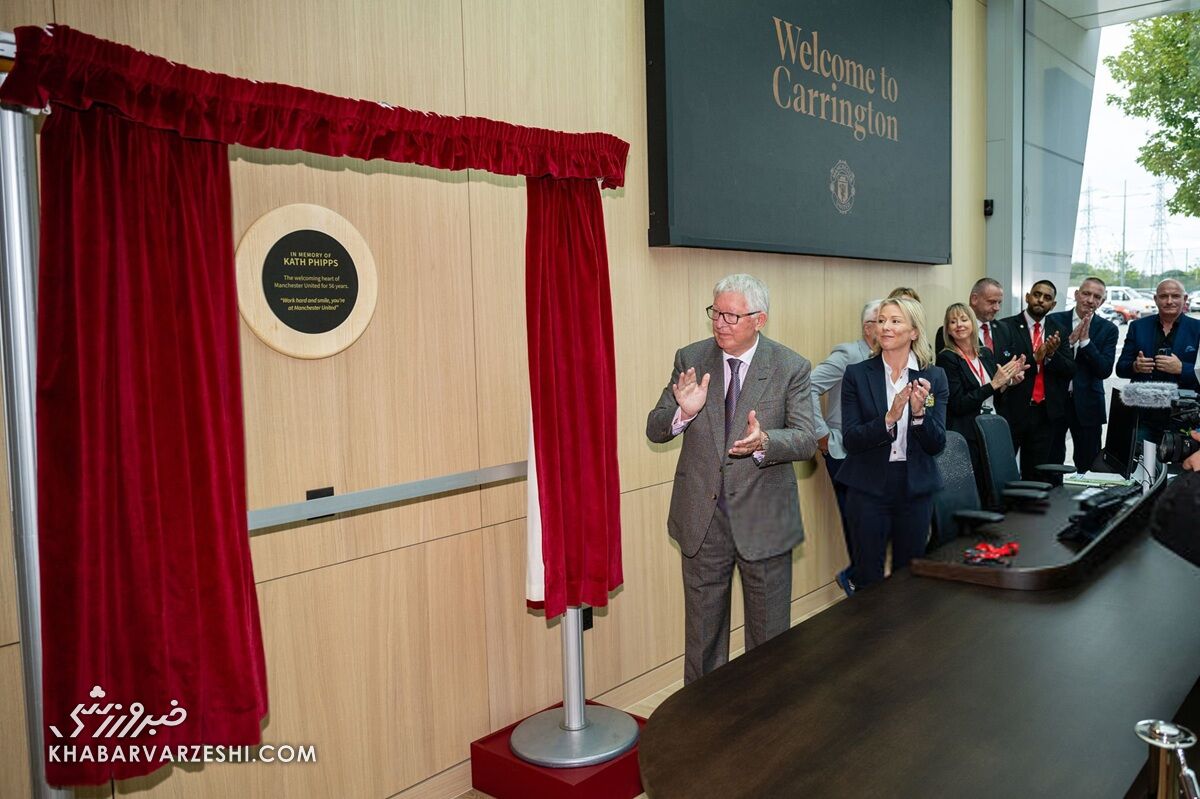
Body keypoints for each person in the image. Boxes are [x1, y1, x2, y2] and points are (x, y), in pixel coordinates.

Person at [646, 274, 817, 683]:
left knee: (769, 637)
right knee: (703, 638)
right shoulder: (691, 358)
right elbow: (655, 427)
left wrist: (764, 441)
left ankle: (766, 727)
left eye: (731, 315)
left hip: (765, 515)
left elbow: (807, 439)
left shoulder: (789, 366)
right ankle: (702, 727)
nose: (720, 323)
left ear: (759, 319)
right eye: (715, 313)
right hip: (703, 519)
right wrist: (682, 413)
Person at [835, 297, 947, 593]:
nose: (885, 326)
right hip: (869, 486)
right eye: (882, 320)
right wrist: (889, 418)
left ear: (913, 331)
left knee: (909, 577)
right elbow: (852, 439)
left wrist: (920, 414)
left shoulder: (933, 376)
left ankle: (907, 639)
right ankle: (869, 639)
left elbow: (937, 444)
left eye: (895, 321)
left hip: (915, 487)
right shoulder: (857, 375)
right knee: (868, 576)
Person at [810, 299, 882, 570]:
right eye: (883, 321)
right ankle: (859, 584)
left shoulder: (887, 359)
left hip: (876, 453)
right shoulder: (849, 354)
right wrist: (822, 435)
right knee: (859, 527)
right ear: (868, 327)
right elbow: (807, 387)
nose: (890, 327)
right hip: (846, 453)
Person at [935, 303, 1026, 497]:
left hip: (991, 428)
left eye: (963, 319)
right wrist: (994, 384)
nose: (959, 325)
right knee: (977, 490)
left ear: (972, 323)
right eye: (952, 322)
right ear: (947, 329)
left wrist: (1008, 382)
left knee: (996, 487)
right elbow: (958, 404)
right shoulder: (948, 358)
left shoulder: (985, 353)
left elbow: (994, 393)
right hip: (967, 434)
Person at [993, 280, 1074, 483]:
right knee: (1002, 469)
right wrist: (1036, 357)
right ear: (1028, 297)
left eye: (1047, 298)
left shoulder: (1060, 330)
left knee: (1037, 473)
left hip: (1045, 412)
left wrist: (1050, 356)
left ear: (1053, 305)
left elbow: (1070, 369)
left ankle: (1033, 512)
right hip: (1013, 409)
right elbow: (1002, 365)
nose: (1041, 300)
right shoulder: (1006, 326)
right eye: (1037, 294)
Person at [1045, 277, 1118, 473]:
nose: (1090, 300)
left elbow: (1104, 370)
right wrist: (1068, 343)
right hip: (1055, 403)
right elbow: (1046, 362)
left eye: (1097, 297)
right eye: (1086, 293)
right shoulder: (1054, 320)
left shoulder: (1108, 329)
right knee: (1051, 459)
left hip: (1089, 406)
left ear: (1102, 302)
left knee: (1088, 463)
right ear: (1076, 295)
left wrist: (1085, 342)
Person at [1116, 278, 1200, 446]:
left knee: (1183, 469)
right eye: (1163, 296)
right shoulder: (1138, 327)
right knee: (1141, 467)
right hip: (1144, 416)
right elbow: (1120, 368)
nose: (1169, 301)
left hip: (1185, 417)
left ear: (1185, 299)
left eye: (1175, 296)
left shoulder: (1197, 329)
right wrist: (1135, 366)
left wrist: (1182, 369)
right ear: (1155, 299)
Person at [935, 276, 1005, 352]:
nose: (997, 308)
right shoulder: (953, 331)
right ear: (974, 299)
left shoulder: (1004, 329)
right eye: (992, 302)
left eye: (999, 303)